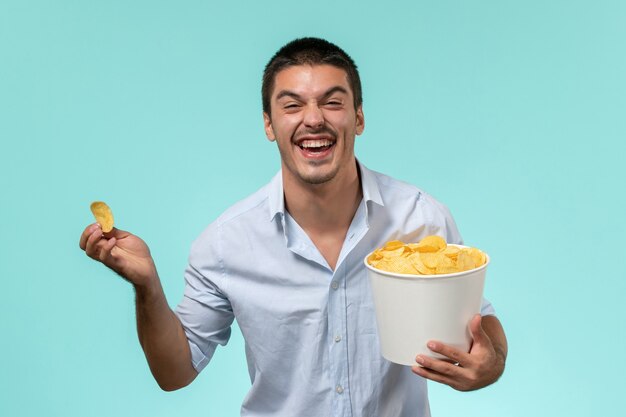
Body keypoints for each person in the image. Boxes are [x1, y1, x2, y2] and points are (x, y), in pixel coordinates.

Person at [79, 37, 507, 417]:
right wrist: (148, 288)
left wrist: (491, 363)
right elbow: (175, 372)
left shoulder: (421, 219)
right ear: (269, 124)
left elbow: (478, 321)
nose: (314, 118)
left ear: (358, 118)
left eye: (333, 102)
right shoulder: (225, 244)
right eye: (292, 105)